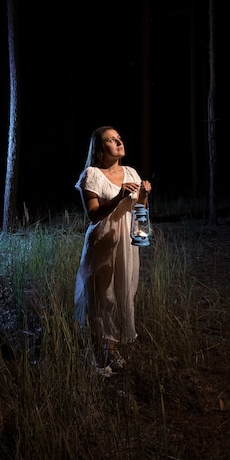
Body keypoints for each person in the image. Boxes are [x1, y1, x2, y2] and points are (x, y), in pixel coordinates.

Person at [74, 126, 152, 376]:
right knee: (102, 297)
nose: (119, 142)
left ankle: (112, 349)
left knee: (123, 293)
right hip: (103, 242)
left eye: (119, 138)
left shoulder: (131, 172)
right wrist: (118, 197)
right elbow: (93, 215)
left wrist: (144, 194)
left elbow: (140, 208)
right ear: (100, 148)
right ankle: (99, 355)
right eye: (111, 140)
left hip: (127, 245)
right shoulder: (92, 174)